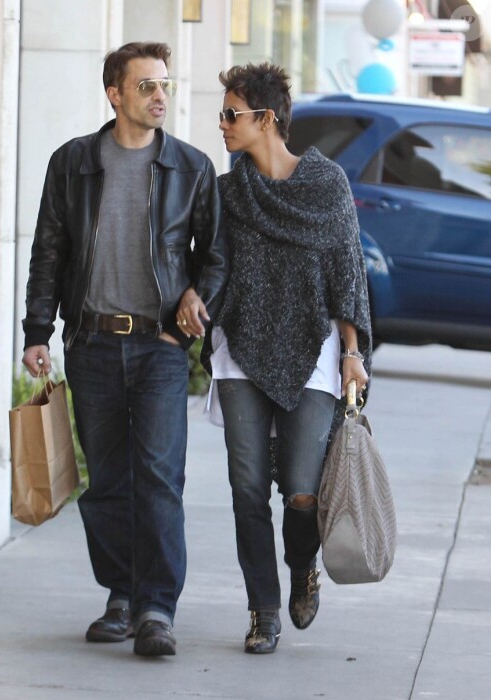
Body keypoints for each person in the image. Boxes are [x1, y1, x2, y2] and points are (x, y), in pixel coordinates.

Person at [21, 42, 227, 658]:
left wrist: (193, 300)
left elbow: (216, 255)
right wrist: (37, 330)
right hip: (91, 344)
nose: (159, 95)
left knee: (160, 479)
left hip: (160, 348)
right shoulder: (74, 162)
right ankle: (120, 596)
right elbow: (49, 250)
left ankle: (157, 608)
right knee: (108, 481)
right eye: (145, 86)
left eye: (164, 84)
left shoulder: (190, 167)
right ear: (115, 94)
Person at [203, 63, 371, 654]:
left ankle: (303, 567)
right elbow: (213, 269)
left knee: (301, 490)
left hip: (315, 353)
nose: (222, 124)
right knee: (247, 490)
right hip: (240, 351)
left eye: (231, 114)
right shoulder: (227, 193)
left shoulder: (326, 186)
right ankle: (263, 612)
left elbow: (346, 273)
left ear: (265, 119)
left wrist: (353, 352)